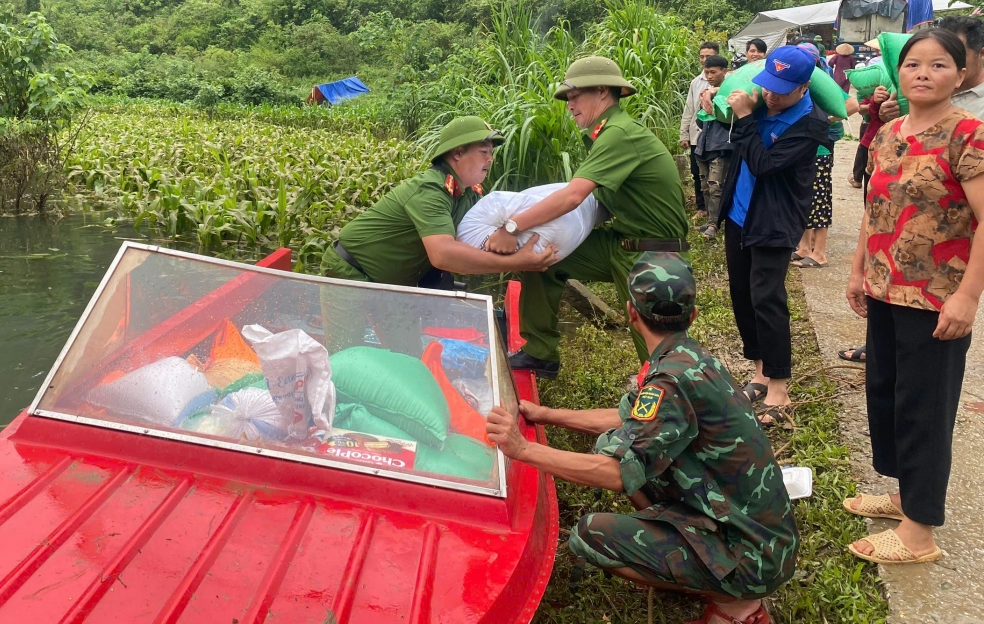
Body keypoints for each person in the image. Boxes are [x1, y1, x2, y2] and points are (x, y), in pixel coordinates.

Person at [486, 253, 798, 624]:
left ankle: (734, 603)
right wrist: (544, 414)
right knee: (613, 442)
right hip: (766, 539)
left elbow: (616, 473)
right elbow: (624, 418)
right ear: (693, 315)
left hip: (752, 558)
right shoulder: (689, 357)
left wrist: (522, 449)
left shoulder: (669, 380)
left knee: (590, 536)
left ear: (632, 313)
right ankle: (688, 551)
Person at [844, 29, 984, 565]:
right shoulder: (888, 131)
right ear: (898, 74)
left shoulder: (968, 134)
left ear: (963, 73)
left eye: (939, 64)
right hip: (884, 288)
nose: (924, 73)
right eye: (913, 64)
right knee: (888, 397)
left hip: (936, 296)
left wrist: (968, 296)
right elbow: (873, 209)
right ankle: (905, 495)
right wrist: (858, 271)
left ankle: (919, 533)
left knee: (925, 410)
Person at [489, 57, 691, 377]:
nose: (569, 106)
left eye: (574, 96)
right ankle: (540, 351)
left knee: (657, 347)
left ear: (601, 92)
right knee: (544, 255)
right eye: (568, 98)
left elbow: (572, 196)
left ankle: (676, 402)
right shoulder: (605, 133)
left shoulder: (620, 134)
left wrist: (512, 227)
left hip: (653, 253)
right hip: (620, 242)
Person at [319, 115, 556, 354]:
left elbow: (482, 239)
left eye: (490, 153)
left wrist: (513, 231)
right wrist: (517, 262)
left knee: (408, 355)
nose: (490, 159)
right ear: (458, 154)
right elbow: (443, 255)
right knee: (345, 355)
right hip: (349, 272)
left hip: (394, 284)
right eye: (484, 151)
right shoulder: (431, 190)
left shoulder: (468, 195)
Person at [719, 46, 833, 426]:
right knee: (742, 294)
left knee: (767, 298)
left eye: (781, 90)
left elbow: (765, 164)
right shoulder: (760, 107)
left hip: (774, 221)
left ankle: (779, 388)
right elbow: (738, 149)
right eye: (768, 87)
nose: (771, 95)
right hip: (740, 215)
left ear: (803, 87)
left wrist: (747, 119)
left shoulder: (810, 124)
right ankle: (759, 371)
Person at [791, 43, 843, 269]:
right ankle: (804, 247)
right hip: (802, 150)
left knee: (818, 199)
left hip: (820, 151)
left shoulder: (820, 80)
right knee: (802, 198)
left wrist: (819, 123)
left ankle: (819, 252)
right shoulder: (797, 79)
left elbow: (848, 104)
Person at [682, 42, 722, 220]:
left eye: (709, 56)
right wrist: (684, 134)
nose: (705, 60)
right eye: (702, 57)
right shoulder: (696, 82)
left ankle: (717, 215)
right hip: (697, 135)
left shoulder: (726, 82)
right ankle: (702, 208)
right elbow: (689, 109)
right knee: (699, 174)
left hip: (717, 138)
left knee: (717, 178)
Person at [694, 55, 732, 240]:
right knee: (705, 187)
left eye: (713, 72)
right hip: (704, 146)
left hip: (720, 145)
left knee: (716, 186)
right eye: (707, 72)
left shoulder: (729, 92)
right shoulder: (705, 92)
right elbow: (700, 122)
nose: (709, 75)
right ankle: (711, 220)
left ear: (724, 71)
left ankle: (714, 225)